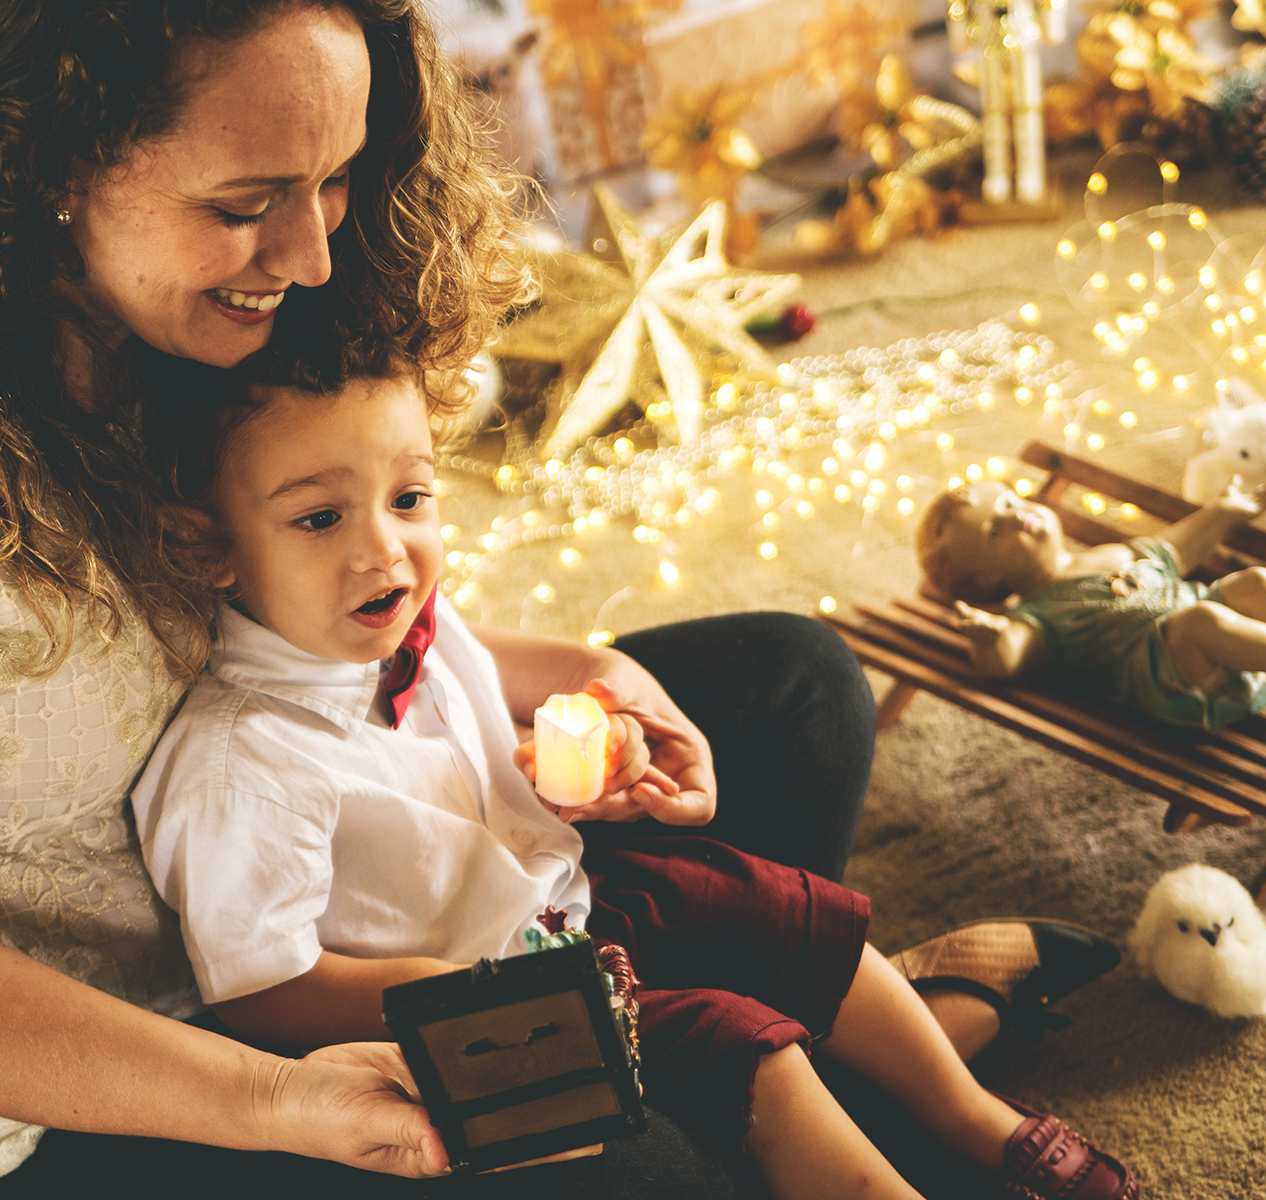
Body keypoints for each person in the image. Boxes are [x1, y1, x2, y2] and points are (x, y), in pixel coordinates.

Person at [0, 1, 1111, 1193]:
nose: (316, 256)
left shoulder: (214, 331)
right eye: (244, 205)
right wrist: (282, 1098)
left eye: (334, 179)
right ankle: (799, 1073)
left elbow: (378, 625)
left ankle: (769, 1054)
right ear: (54, 156)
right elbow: (266, 974)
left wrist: (601, 683)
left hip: (381, 865)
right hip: (143, 1051)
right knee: (649, 1168)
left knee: (798, 683)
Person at [126, 344, 1142, 1200]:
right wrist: (448, 991)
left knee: (786, 910)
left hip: (579, 897)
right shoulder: (241, 764)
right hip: (509, 998)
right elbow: (261, 989)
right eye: (319, 518)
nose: (384, 550)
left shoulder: (398, 625)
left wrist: (622, 715)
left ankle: (980, 1124)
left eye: (410, 497)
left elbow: (567, 669)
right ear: (208, 542)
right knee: (756, 1058)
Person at [916, 480, 1266, 732]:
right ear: (988, 577)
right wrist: (989, 640)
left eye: (1010, 502)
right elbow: (1007, 658)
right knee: (1199, 620)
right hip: (1170, 677)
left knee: (1256, 581)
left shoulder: (1107, 553)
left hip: (1211, 632)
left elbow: (1175, 549)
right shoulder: (1033, 613)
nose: (1016, 515)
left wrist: (1222, 511)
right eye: (995, 531)